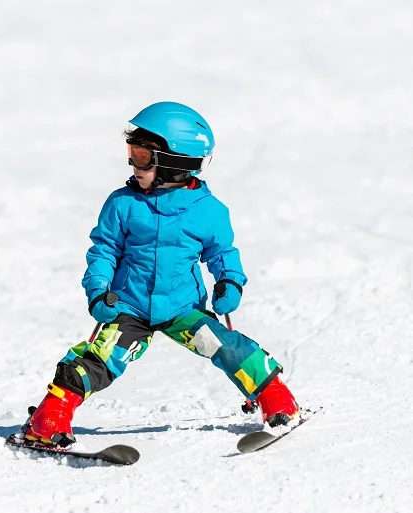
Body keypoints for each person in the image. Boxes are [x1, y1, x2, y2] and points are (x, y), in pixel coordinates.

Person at [21, 101, 300, 447]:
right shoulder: (123, 203)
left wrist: (229, 280)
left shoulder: (208, 211)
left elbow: (222, 253)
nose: (131, 163)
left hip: (182, 310)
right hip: (129, 308)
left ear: (174, 164)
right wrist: (98, 290)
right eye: (131, 151)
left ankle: (277, 400)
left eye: (141, 155)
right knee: (99, 359)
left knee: (228, 348)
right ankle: (49, 419)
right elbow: (104, 250)